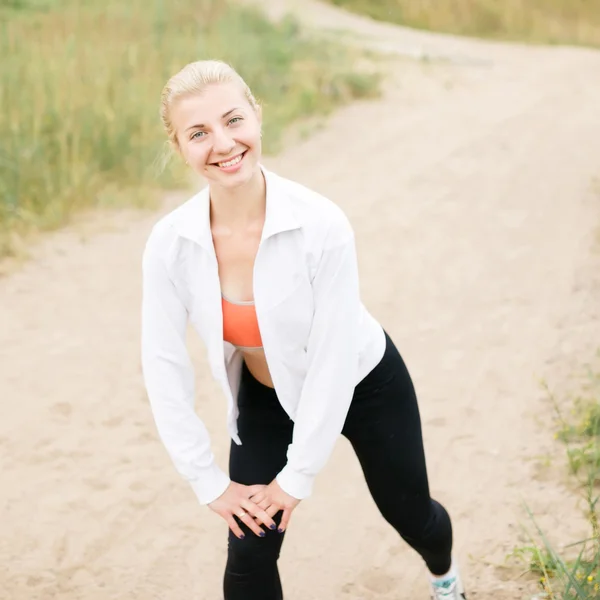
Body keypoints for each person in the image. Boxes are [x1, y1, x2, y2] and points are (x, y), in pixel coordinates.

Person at [141, 59, 467, 600]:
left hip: (364, 384)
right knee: (248, 550)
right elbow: (162, 363)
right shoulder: (170, 243)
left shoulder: (321, 224)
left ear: (257, 118)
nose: (223, 144)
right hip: (267, 397)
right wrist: (207, 480)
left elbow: (335, 359)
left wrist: (297, 476)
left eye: (233, 120)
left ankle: (445, 575)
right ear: (179, 146)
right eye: (199, 133)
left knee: (410, 515)